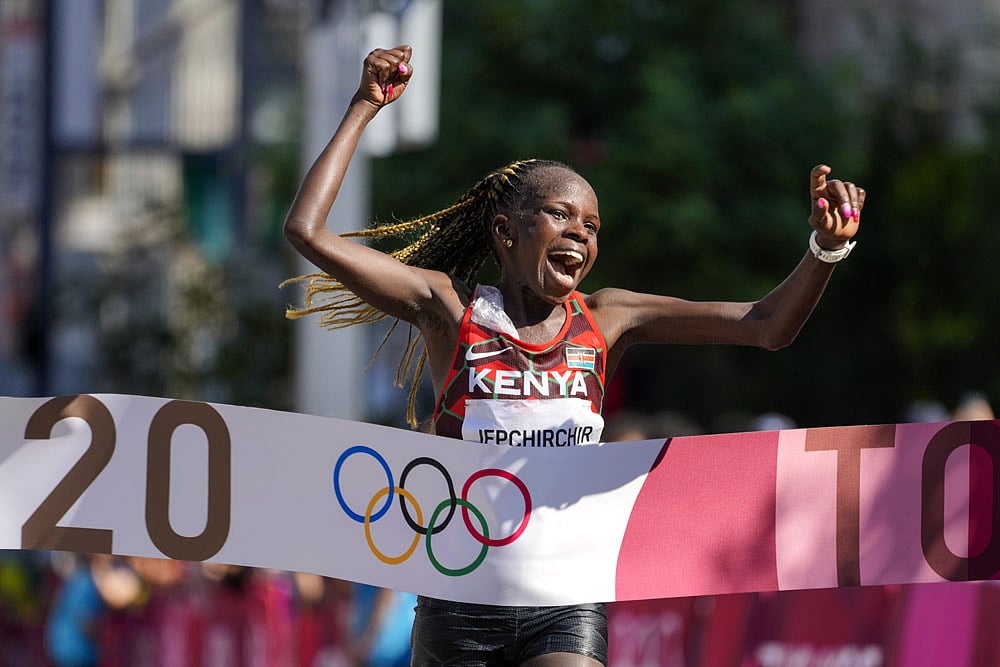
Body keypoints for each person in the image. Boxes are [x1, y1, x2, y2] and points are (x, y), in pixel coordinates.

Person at [282, 45, 864, 667]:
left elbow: (767, 326)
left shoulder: (609, 317)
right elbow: (308, 232)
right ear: (506, 232)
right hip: (459, 596)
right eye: (560, 215)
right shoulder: (448, 307)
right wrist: (363, 106)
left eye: (591, 227)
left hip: (565, 597)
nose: (580, 235)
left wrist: (824, 251)